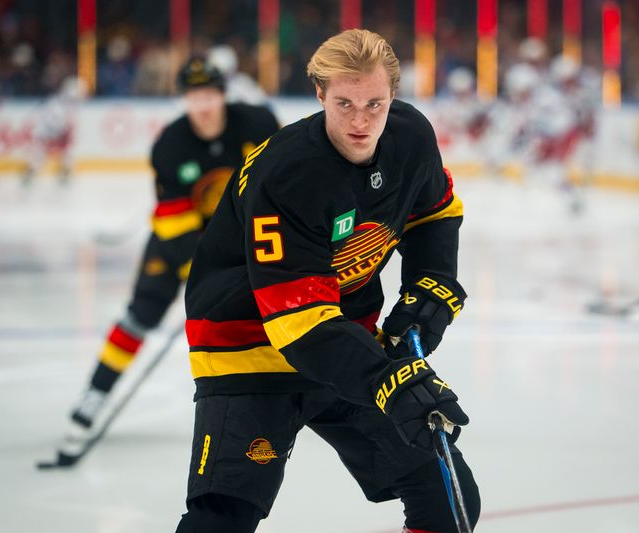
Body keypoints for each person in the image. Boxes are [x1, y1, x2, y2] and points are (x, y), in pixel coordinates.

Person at [176, 29, 480, 532]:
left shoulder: (411, 139)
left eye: (374, 104)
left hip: (341, 335)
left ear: (394, 97)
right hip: (247, 341)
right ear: (319, 95)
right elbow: (297, 322)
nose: (360, 121)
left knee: (446, 494)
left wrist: (432, 283)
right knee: (225, 513)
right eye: (344, 103)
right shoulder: (287, 172)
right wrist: (390, 381)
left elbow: (435, 213)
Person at [60, 56, 279, 453]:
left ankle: (287, 391)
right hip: (180, 242)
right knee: (140, 315)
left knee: (269, 310)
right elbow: (175, 225)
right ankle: (95, 393)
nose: (204, 105)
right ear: (184, 100)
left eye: (210, 94)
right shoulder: (171, 146)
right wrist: (210, 278)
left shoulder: (258, 124)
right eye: (195, 96)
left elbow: (279, 184)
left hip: (242, 242)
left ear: (222, 94)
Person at [20, 75, 88, 186]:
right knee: (40, 158)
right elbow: (50, 122)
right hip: (46, 134)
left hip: (52, 134)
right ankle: (29, 175)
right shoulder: (58, 104)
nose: (82, 96)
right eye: (80, 93)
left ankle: (64, 175)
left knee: (67, 155)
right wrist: (61, 132)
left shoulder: (66, 104)